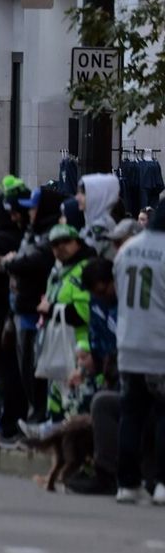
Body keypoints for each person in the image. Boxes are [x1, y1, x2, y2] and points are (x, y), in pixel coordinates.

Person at [111, 196, 165, 503]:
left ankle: (126, 483)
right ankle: (161, 483)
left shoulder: (128, 250)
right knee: (162, 415)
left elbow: (120, 294)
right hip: (160, 346)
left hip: (130, 343)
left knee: (130, 415)